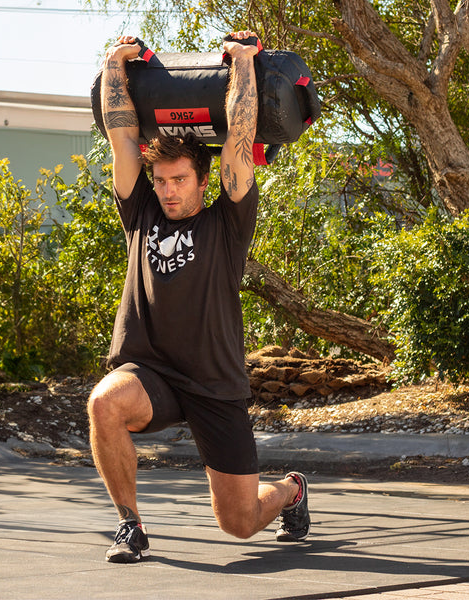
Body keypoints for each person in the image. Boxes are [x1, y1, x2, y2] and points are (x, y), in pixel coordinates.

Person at [88, 31, 310, 564]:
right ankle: (131, 526)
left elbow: (237, 137)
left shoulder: (227, 223)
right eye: (160, 180)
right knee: (103, 402)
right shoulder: (138, 212)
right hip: (150, 372)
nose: (166, 190)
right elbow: (121, 138)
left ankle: (292, 491)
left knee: (239, 524)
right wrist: (115, 66)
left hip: (213, 383)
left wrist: (241, 64)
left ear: (203, 181)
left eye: (178, 180)